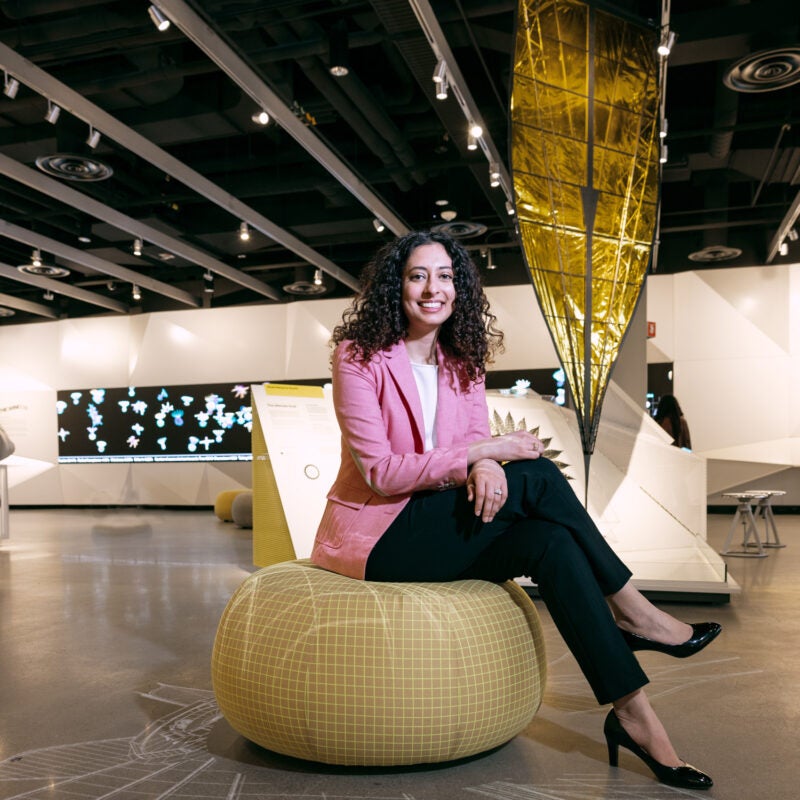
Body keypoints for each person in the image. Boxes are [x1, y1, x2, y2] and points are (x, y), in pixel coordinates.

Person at [311, 230, 720, 789]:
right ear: (395, 286)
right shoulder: (359, 358)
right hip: (379, 535)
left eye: (446, 276)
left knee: (552, 543)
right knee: (542, 476)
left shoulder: (463, 360)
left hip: (440, 519)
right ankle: (639, 616)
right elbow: (382, 472)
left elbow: (476, 439)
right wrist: (486, 454)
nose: (434, 289)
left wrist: (485, 464)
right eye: (417, 276)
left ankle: (635, 716)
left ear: (460, 288)